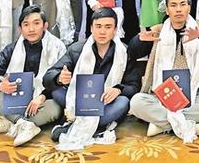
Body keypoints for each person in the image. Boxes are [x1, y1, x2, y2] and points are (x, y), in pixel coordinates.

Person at [128, 0, 199, 142]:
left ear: (189, 8)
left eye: (182, 4)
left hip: (194, 94)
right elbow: (133, 52)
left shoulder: (198, 27)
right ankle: (193, 126)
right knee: (136, 102)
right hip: (161, 95)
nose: (178, 9)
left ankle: (162, 125)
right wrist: (139, 41)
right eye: (173, 5)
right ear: (167, 10)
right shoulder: (158, 30)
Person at [44, 8, 141, 150]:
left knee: (123, 102)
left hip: (105, 103)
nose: (102, 32)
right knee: (56, 91)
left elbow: (134, 85)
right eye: (98, 26)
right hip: (79, 101)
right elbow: (48, 77)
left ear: (115, 30)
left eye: (108, 27)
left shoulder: (124, 52)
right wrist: (59, 78)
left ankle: (74, 126)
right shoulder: (76, 50)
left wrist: (118, 89)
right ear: (91, 28)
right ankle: (97, 128)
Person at [0, 5, 67, 146]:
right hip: (16, 97)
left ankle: (11, 123)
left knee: (54, 109)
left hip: (42, 101)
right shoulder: (11, 49)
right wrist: (0, 85)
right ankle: (23, 124)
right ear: (20, 28)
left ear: (45, 26)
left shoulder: (58, 48)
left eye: (36, 23)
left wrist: (43, 96)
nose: (31, 29)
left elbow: (60, 81)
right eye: (26, 24)